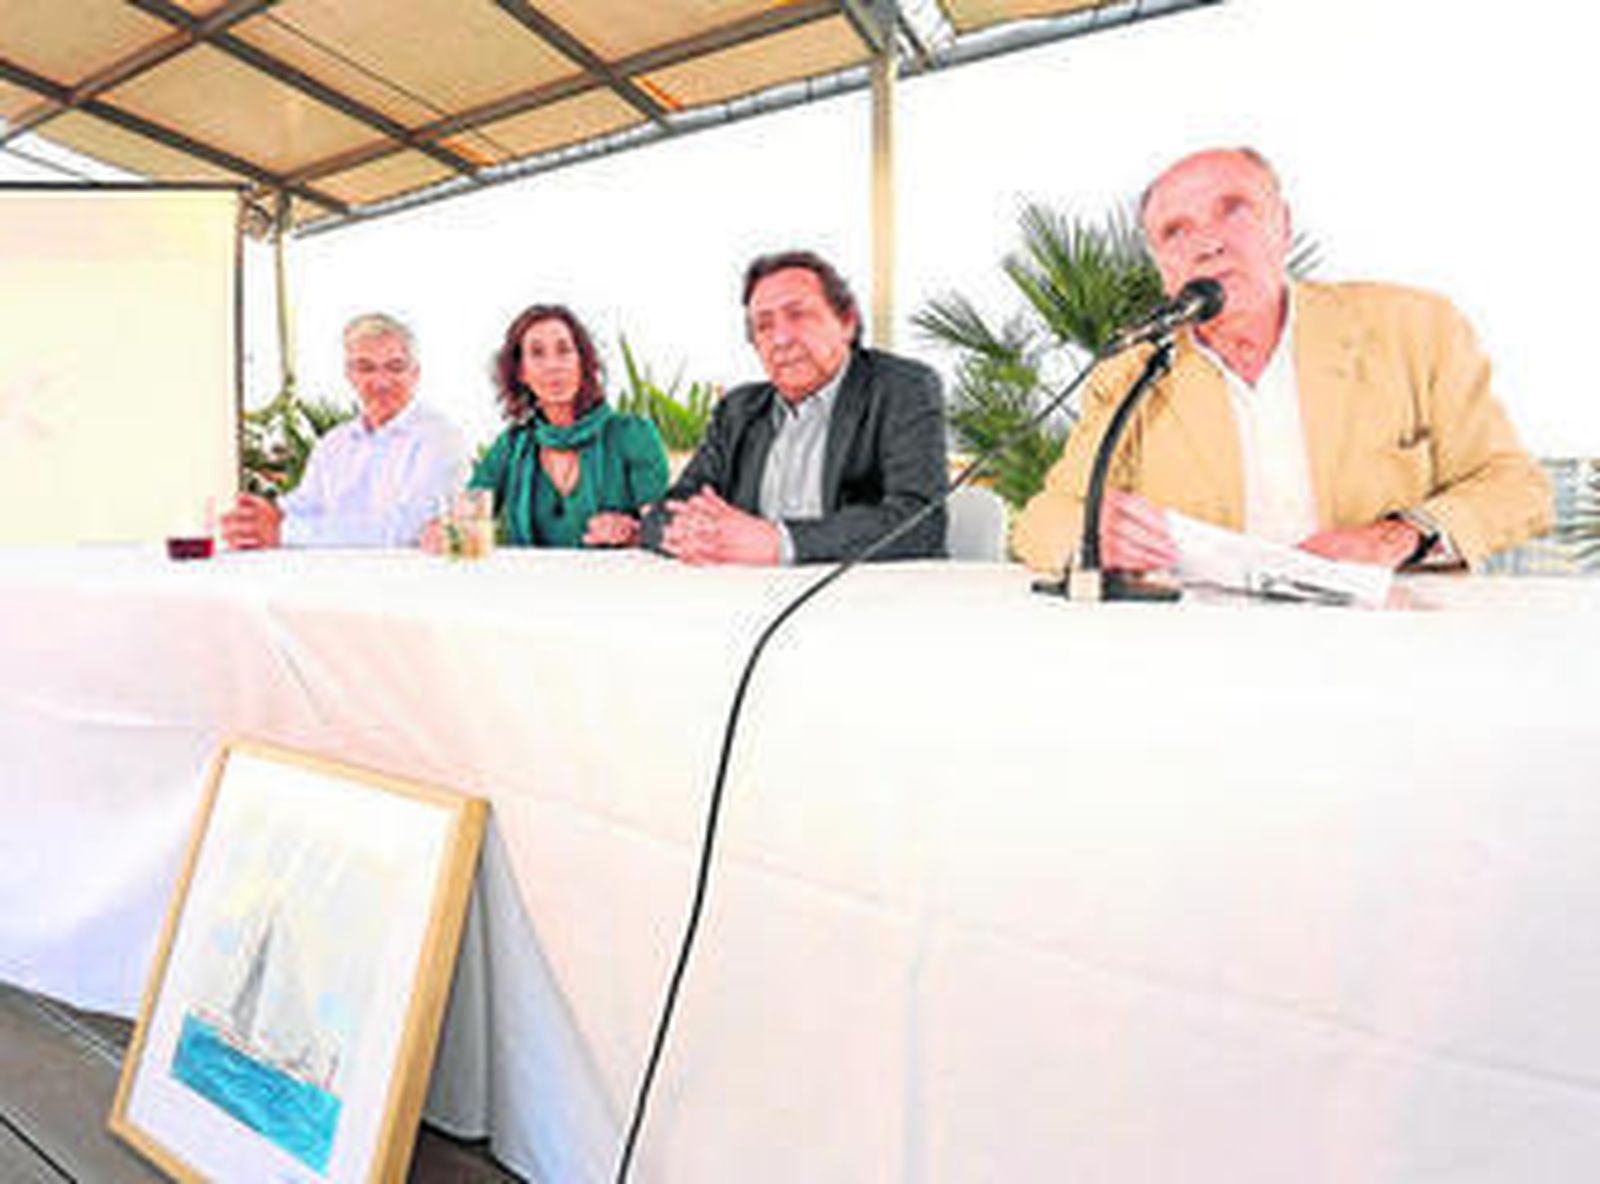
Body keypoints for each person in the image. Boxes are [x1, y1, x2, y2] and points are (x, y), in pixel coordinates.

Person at [1013, 147, 1552, 574]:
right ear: (1162, 266)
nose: (1207, 245)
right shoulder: (1129, 369)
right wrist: (1088, 533)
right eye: (1175, 231)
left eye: (1234, 210)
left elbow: (1515, 487)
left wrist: (1399, 535)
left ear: (1284, 225)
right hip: (1201, 651)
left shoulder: (1415, 327)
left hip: (1388, 638)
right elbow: (1041, 521)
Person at [643, 249, 947, 565]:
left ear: (847, 322)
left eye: (798, 315)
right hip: (747, 595)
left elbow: (920, 522)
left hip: (869, 598)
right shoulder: (738, 410)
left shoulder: (903, 388)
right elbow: (669, 509)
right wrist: (687, 533)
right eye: (763, 325)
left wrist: (780, 543)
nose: (780, 339)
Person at [222, 313, 467, 549]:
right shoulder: (334, 442)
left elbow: (408, 529)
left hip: (404, 584)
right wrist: (261, 516)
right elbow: (308, 504)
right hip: (330, 580)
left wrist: (282, 530)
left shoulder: (439, 438)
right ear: (349, 374)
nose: (381, 382)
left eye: (395, 367)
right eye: (365, 368)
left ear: (415, 374)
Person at [446, 304, 668, 549]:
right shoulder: (510, 446)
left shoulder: (633, 435)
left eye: (564, 351)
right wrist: (442, 533)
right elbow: (466, 518)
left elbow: (666, 534)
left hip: (615, 584)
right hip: (529, 585)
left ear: (583, 362)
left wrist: (632, 534)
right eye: (537, 353)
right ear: (521, 372)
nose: (553, 365)